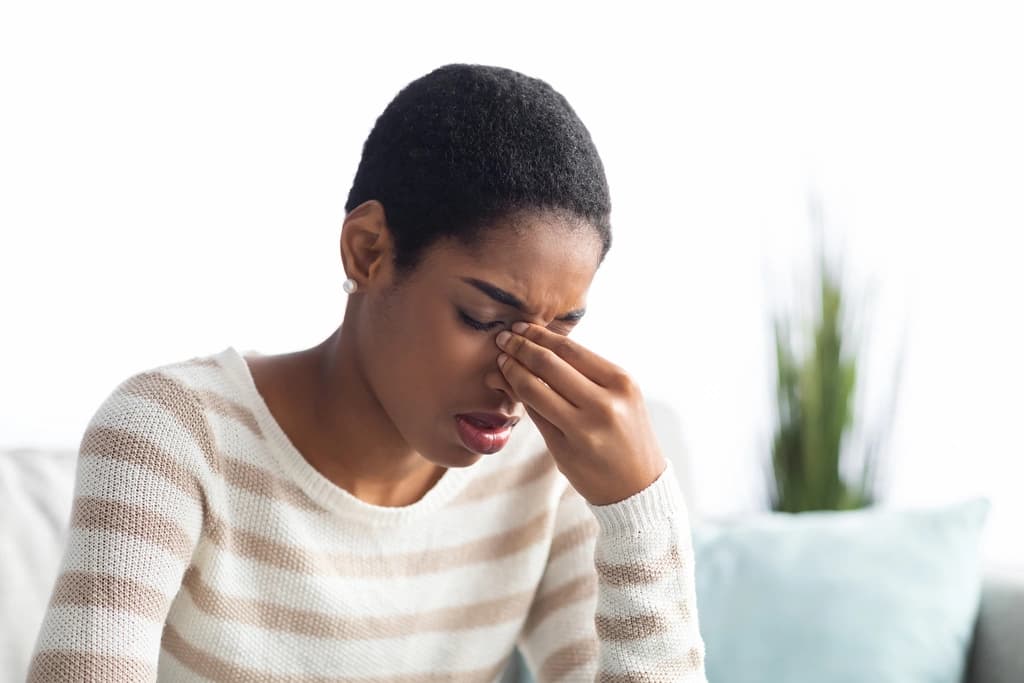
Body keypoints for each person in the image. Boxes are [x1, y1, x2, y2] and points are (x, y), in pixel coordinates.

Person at [28, 64, 707, 682]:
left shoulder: (542, 475)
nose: (518, 380)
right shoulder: (174, 437)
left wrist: (639, 511)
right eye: (480, 316)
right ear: (368, 250)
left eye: (561, 330)